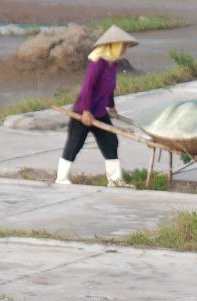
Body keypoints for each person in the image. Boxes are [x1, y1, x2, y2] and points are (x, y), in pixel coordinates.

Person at [55, 25, 138, 187]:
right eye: (122, 46)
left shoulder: (113, 64)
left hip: (99, 112)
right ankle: (61, 179)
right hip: (83, 111)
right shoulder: (97, 62)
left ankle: (114, 180)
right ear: (113, 45)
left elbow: (109, 87)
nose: (124, 49)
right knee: (74, 144)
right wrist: (86, 111)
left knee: (110, 141)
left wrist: (111, 106)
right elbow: (88, 87)